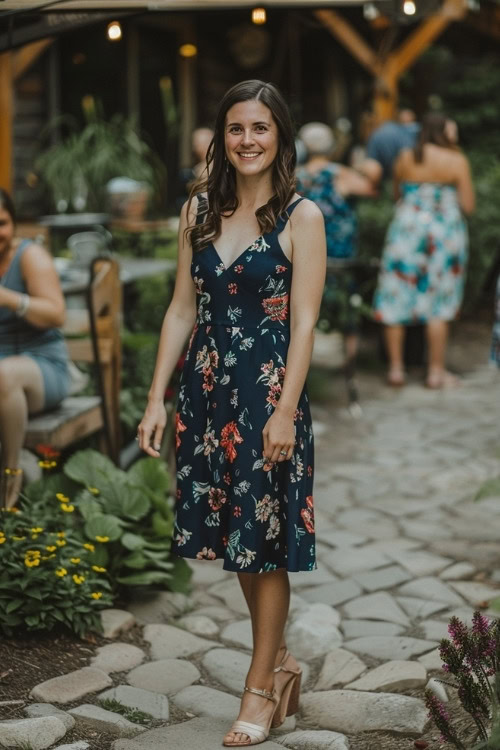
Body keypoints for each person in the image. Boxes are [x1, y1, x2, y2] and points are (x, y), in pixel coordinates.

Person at [137, 80, 326, 746]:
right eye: (236, 129)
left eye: (261, 128)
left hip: (268, 395)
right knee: (238, 542)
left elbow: (304, 324)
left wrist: (283, 412)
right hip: (206, 394)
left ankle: (259, 686)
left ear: (281, 137)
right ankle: (281, 664)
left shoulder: (302, 216)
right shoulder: (198, 210)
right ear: (222, 137)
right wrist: (157, 398)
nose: (247, 140)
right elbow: (180, 310)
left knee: (264, 544)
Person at [372, 112, 475, 387]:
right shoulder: (457, 160)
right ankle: (435, 372)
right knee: (439, 302)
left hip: (406, 232)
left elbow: (396, 194)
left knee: (395, 296)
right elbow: (468, 205)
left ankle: (396, 370)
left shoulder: (406, 157)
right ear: (444, 132)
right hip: (444, 236)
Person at [0, 188, 69, 507]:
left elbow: (56, 314)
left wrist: (9, 298)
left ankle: (9, 475)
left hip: (42, 367)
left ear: (13, 225)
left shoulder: (29, 256)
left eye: (2, 223)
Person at [296, 121, 374, 373]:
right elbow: (370, 189)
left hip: (304, 254)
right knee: (346, 305)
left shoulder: (295, 175)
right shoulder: (340, 173)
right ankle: (347, 364)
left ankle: (304, 361)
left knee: (303, 305)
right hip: (338, 255)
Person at [360, 109, 420, 186]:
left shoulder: (377, 134)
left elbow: (371, 162)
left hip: (384, 179)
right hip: (405, 177)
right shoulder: (413, 131)